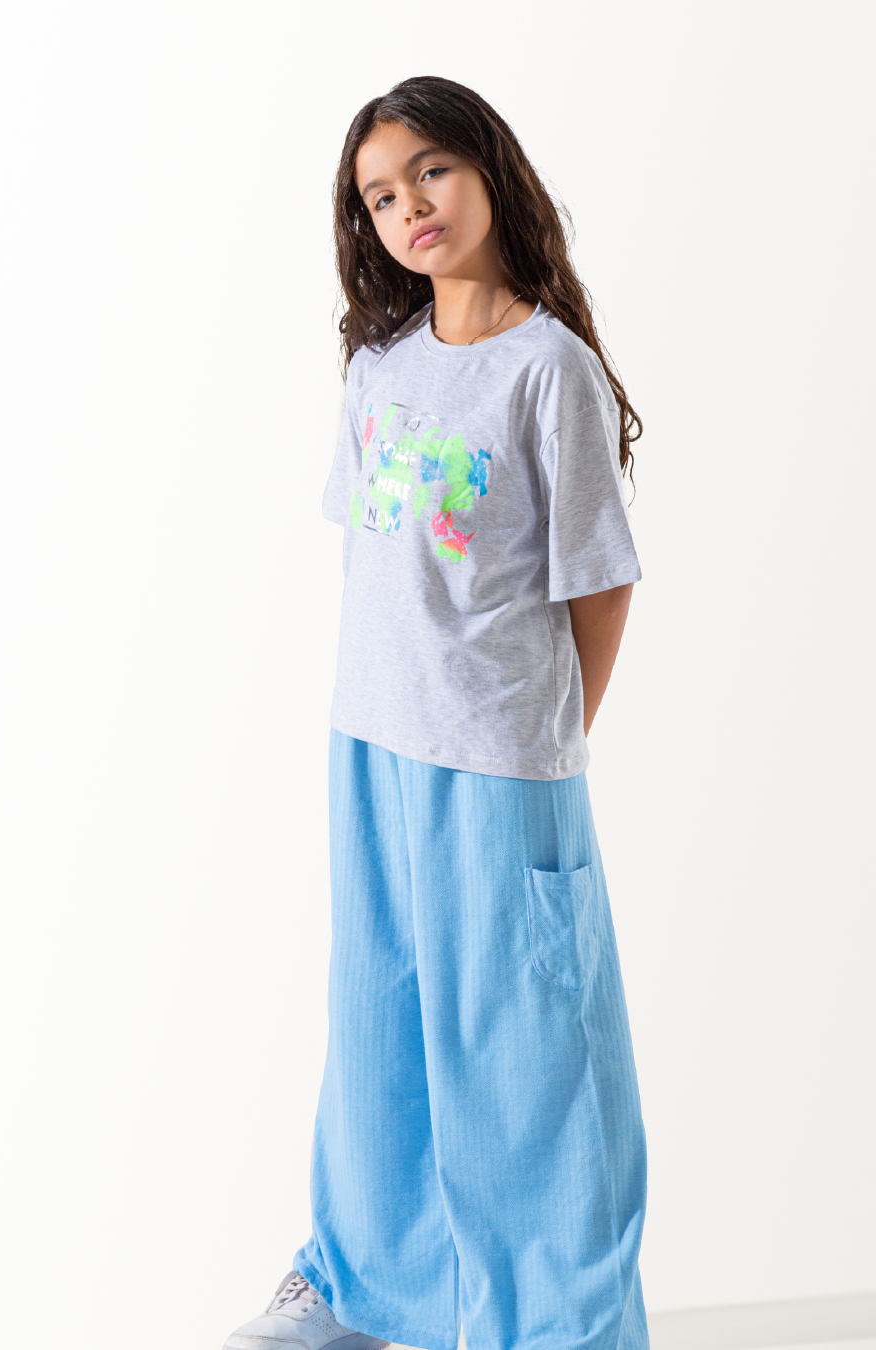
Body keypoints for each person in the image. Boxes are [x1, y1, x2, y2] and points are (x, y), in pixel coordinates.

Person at [223, 75, 648, 1350]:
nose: (409, 205)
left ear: (488, 170)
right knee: (380, 1032)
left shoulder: (549, 370)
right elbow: (376, 565)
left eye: (430, 172)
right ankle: (364, 1289)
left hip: (500, 764)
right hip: (370, 745)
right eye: (379, 195)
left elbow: (600, 585)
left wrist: (548, 736)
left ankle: (563, 1324)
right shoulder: (380, 367)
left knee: (527, 1055)